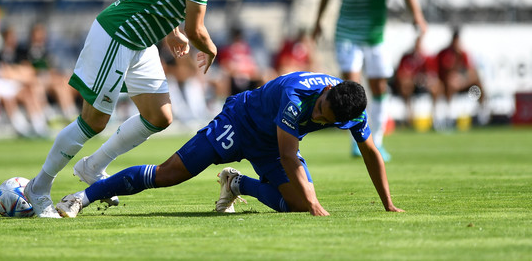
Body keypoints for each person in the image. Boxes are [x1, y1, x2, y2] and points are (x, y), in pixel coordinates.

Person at [25, 0, 257, 217]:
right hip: (119, 34)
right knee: (93, 121)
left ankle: (93, 167)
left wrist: (170, 31)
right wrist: (211, 48)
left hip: (142, 40)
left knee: (159, 116)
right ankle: (38, 187)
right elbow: (196, 28)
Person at [54, 72, 404, 218]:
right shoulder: (296, 96)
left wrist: (388, 203)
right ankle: (81, 197)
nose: (318, 114)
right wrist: (315, 201)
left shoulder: (351, 111)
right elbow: (288, 154)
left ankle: (237, 183)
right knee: (169, 174)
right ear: (327, 91)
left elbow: (371, 152)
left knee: (296, 205)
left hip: (272, 143)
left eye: (325, 118)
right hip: (240, 123)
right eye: (321, 107)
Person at [312, 0, 427, 161]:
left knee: (379, 87)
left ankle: (378, 140)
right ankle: (357, 141)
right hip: (347, 34)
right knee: (351, 88)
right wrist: (318, 21)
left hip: (376, 35)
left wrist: (417, 16)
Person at [436, 27, 487, 126]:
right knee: (451, 84)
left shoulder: (463, 54)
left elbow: (470, 71)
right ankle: (449, 114)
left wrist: (462, 80)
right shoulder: (445, 54)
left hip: (462, 84)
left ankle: (481, 112)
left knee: (477, 84)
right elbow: (445, 72)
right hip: (447, 84)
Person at [391, 33, 441, 127]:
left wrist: (425, 79)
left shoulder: (426, 58)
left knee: (437, 87)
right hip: (410, 85)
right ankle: (409, 116)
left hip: (423, 84)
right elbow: (400, 75)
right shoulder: (406, 58)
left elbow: (433, 75)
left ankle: (434, 117)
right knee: (406, 87)